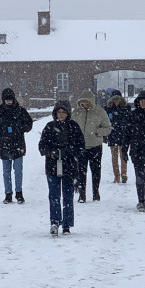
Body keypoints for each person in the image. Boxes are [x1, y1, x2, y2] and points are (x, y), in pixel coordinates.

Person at [38, 101, 85, 236]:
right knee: (54, 195)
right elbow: (42, 146)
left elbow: (80, 146)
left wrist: (69, 152)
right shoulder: (50, 127)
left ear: (68, 113)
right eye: (59, 112)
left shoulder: (73, 127)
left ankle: (67, 224)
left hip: (69, 166)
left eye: (64, 112)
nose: (61, 115)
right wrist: (51, 152)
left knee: (68, 195)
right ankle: (55, 221)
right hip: (52, 166)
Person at [0, 87, 33, 204]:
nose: (9, 101)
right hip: (5, 145)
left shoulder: (20, 111)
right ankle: (8, 194)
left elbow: (29, 124)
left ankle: (19, 193)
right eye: (7, 99)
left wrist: (19, 129)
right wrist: (2, 131)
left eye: (10, 99)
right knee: (6, 172)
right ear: (3, 100)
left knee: (18, 171)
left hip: (18, 145)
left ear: (14, 99)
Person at [73, 90, 112, 203]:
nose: (85, 104)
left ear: (92, 102)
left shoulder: (100, 112)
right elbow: (71, 127)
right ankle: (82, 194)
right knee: (81, 171)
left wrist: (98, 132)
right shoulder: (76, 113)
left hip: (95, 146)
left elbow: (108, 128)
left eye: (88, 102)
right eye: (83, 102)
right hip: (80, 146)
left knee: (96, 171)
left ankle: (96, 192)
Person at [105, 92, 131, 184]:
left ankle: (124, 174)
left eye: (117, 99)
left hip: (123, 135)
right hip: (112, 135)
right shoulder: (108, 109)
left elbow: (129, 120)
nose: (116, 101)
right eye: (114, 99)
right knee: (114, 157)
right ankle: (116, 176)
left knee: (123, 155)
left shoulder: (126, 108)